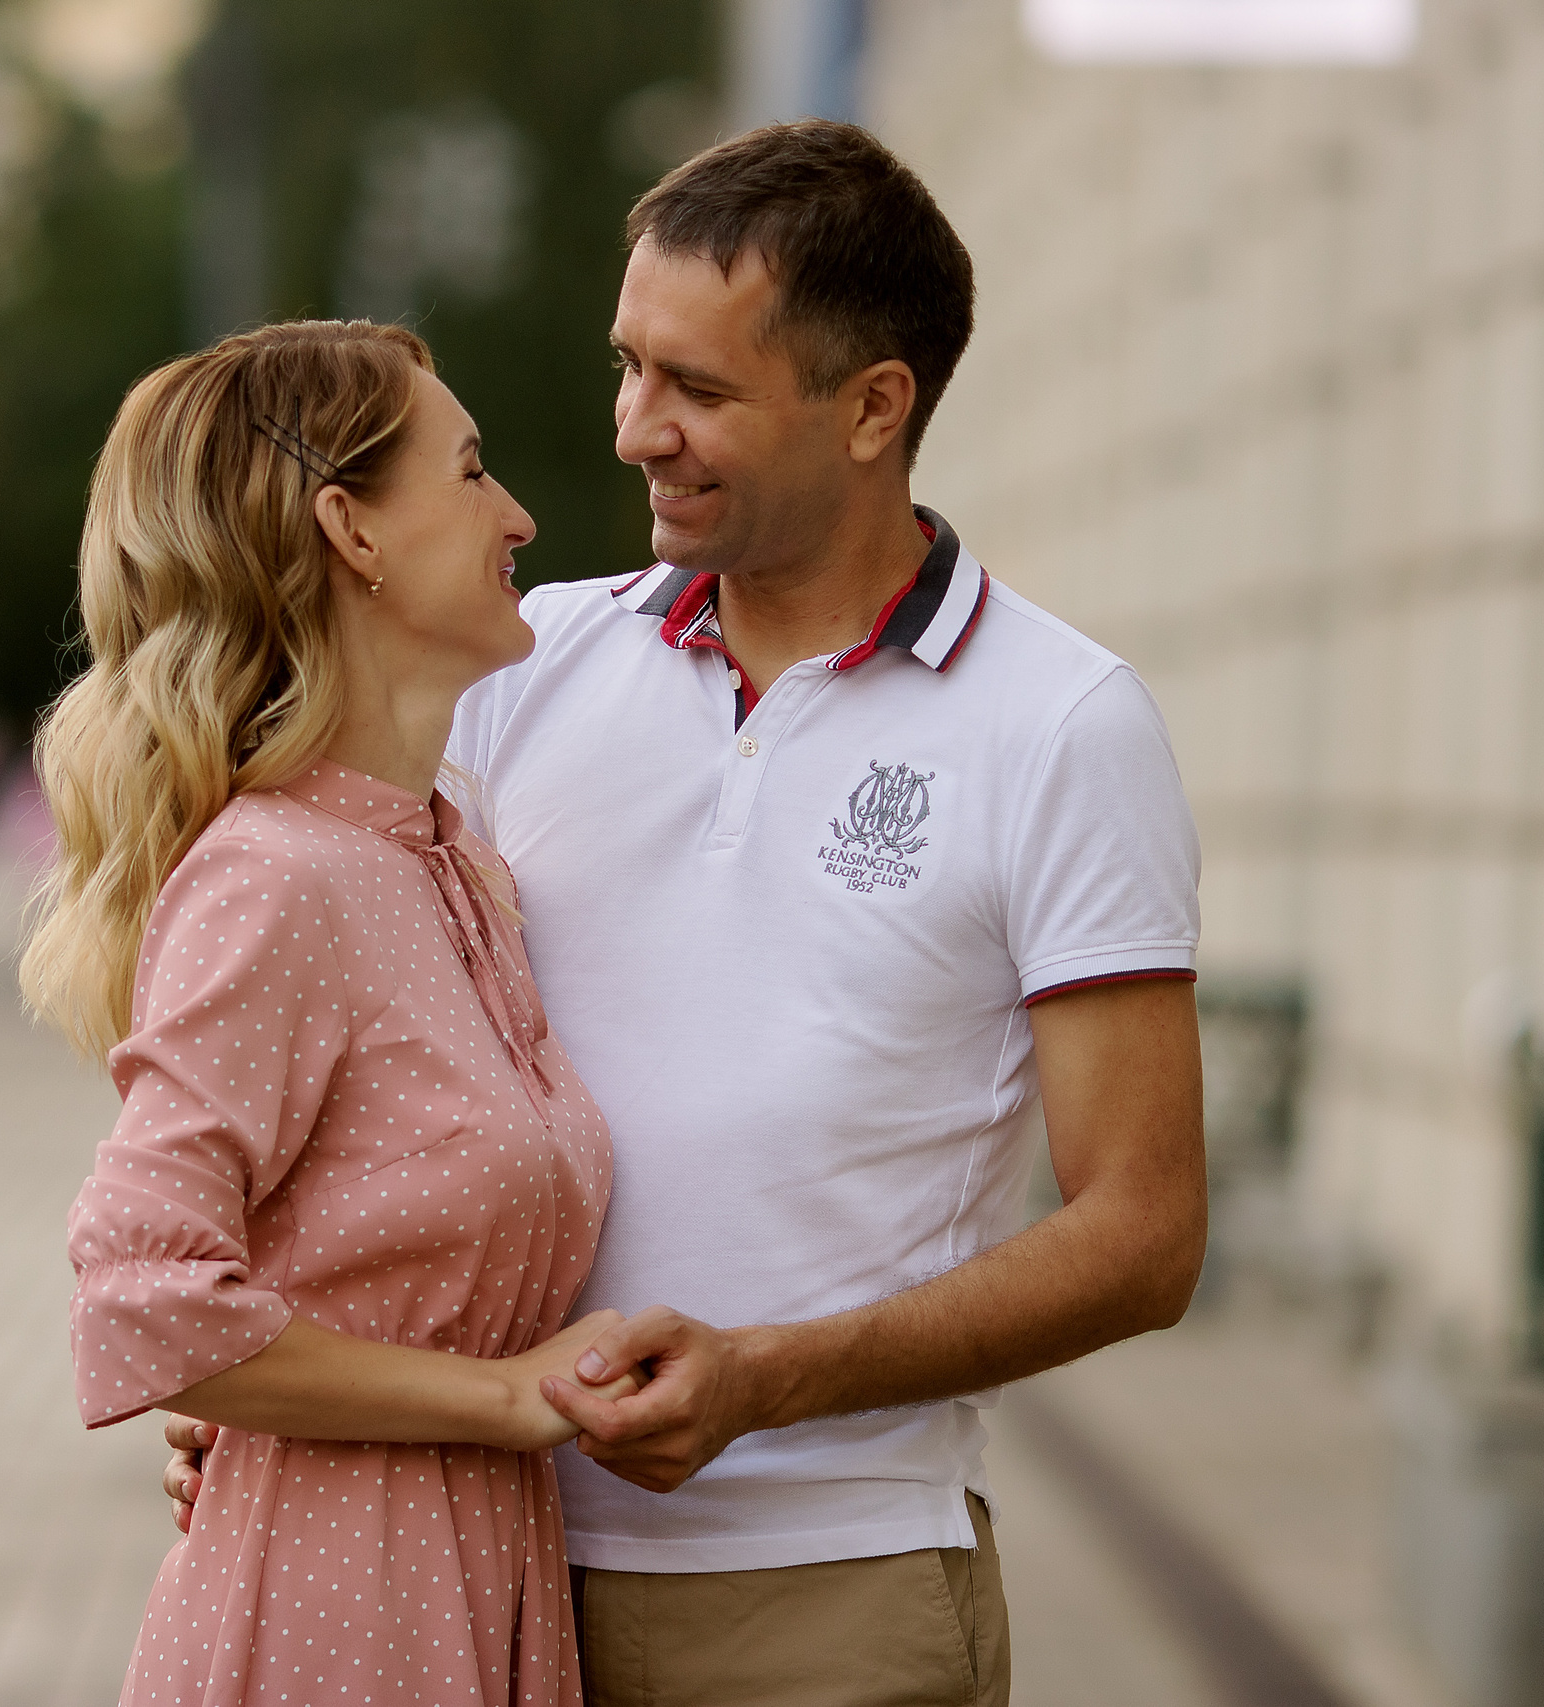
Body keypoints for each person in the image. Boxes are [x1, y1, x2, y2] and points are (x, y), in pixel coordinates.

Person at [168, 122, 1209, 1707]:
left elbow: (1143, 1233)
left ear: (876, 407)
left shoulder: (1062, 724)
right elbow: (341, 1051)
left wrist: (765, 1380)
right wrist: (283, 1367)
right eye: (628, 368)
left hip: (826, 1591)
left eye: (699, 390)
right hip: (462, 1558)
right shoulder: (523, 672)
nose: (634, 430)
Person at [27, 320, 641, 1707]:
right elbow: (143, 1299)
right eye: (473, 473)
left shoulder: (453, 861)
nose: (519, 515)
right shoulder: (274, 877)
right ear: (350, 531)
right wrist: (503, 1399)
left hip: (475, 1574)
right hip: (340, 1620)